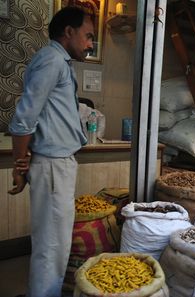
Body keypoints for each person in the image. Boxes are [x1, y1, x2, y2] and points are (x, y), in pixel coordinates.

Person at [8, 6, 94, 297]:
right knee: (52, 245)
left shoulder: (59, 62)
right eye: (88, 36)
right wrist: (18, 169)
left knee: (53, 242)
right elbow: (23, 120)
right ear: (68, 32)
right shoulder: (52, 61)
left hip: (57, 164)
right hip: (53, 165)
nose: (90, 44)